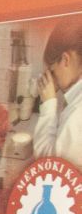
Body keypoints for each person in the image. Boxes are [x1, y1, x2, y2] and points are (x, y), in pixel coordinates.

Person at [35, 16, 82, 168]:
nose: (52, 78)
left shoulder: (77, 111)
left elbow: (49, 167)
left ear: (65, 59)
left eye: (52, 70)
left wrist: (48, 105)